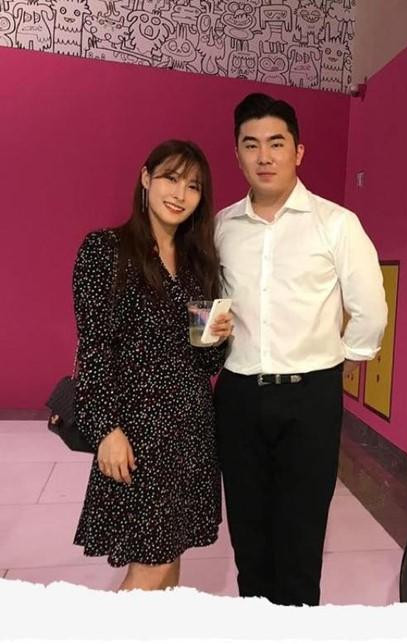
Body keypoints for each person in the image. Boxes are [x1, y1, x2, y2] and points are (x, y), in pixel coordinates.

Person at [214, 93, 387, 606]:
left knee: (301, 535)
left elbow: (370, 308)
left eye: (276, 143)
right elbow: (206, 299)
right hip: (238, 395)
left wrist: (339, 362)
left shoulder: (335, 223)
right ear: (237, 154)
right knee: (248, 535)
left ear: (298, 151)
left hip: (310, 397)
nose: (264, 156)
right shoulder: (221, 227)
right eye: (251, 145)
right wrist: (205, 338)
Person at [72, 140, 233, 591]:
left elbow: (205, 362)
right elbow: (94, 348)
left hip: (191, 429)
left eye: (193, 186)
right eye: (170, 178)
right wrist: (106, 430)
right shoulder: (105, 250)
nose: (180, 194)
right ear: (146, 178)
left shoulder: (198, 264)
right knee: (151, 565)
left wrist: (217, 336)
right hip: (138, 430)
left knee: (171, 554)